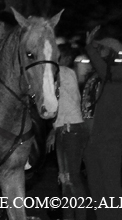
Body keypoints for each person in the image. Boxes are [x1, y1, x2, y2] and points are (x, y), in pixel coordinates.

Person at [82, 28, 122, 220]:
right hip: (91, 139)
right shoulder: (94, 76)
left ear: (111, 52)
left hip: (109, 137)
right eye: (97, 48)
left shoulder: (119, 72)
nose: (98, 50)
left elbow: (104, 71)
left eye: (101, 48)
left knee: (110, 185)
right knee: (95, 187)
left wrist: (89, 47)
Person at [48, 47, 87, 220]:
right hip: (65, 128)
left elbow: (56, 101)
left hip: (70, 129)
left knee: (72, 178)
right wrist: (54, 129)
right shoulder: (65, 73)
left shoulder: (63, 72)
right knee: (65, 179)